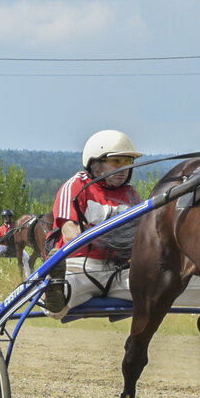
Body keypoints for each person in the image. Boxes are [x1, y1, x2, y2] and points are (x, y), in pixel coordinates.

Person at [43, 130, 143, 317]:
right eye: (116, 161)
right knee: (65, 294)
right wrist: (117, 241)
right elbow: (70, 234)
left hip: (119, 269)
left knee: (154, 287)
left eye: (128, 162)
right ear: (96, 165)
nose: (124, 168)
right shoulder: (77, 186)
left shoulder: (131, 194)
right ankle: (55, 294)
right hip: (82, 265)